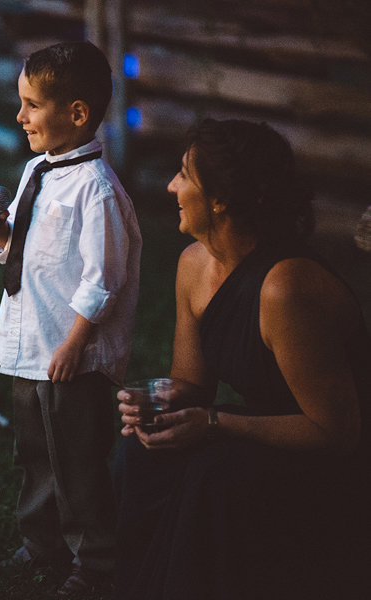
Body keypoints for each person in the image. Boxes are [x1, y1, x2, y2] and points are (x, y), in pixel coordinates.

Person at [113, 118, 371, 600]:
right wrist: (160, 405)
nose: (171, 186)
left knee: (217, 472)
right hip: (274, 428)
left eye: (184, 175)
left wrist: (214, 424)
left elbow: (338, 433)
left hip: (335, 459)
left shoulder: (285, 287)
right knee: (144, 454)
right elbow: (191, 382)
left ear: (219, 198)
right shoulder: (193, 263)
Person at [0, 41, 141, 596]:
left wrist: (74, 345)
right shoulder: (35, 171)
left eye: (31, 105)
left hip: (70, 357)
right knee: (36, 455)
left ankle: (95, 564)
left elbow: (103, 281)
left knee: (78, 464)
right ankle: (41, 545)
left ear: (76, 113)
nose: (19, 116)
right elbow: (26, 248)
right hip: (30, 347)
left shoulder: (96, 191)